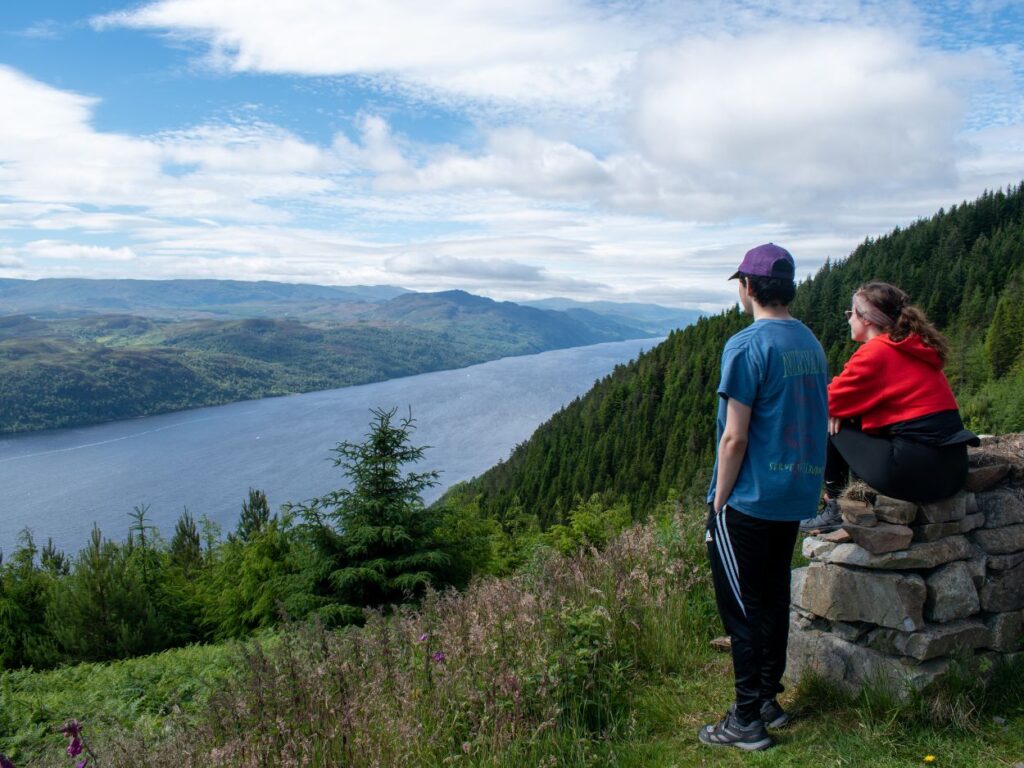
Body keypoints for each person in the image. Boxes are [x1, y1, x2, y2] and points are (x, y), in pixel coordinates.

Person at [700, 243, 828, 751]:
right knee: (772, 598)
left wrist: (718, 501)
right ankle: (768, 702)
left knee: (742, 609)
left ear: (748, 287)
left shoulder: (747, 345)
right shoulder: (810, 343)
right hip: (794, 493)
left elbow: (735, 437)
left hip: (750, 499)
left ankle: (746, 721)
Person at [799, 282, 979, 533]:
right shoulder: (916, 347)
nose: (849, 320)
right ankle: (850, 499)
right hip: (952, 472)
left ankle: (834, 507)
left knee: (831, 421)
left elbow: (821, 404)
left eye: (851, 314)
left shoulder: (876, 353)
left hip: (916, 475)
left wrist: (838, 410)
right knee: (842, 412)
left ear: (866, 319)